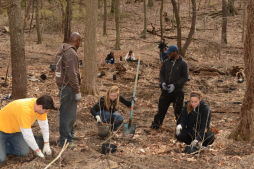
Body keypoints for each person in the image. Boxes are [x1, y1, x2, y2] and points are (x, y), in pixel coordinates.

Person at [0, 95, 56, 163]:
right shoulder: (25, 110)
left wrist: (46, 143)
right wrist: (38, 151)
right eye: (46, 110)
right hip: (1, 130)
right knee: (1, 159)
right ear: (40, 107)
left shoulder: (41, 107)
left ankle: (4, 145)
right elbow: (27, 134)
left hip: (15, 131)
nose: (46, 112)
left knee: (23, 152)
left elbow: (44, 126)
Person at [151, 45, 188, 129]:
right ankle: (156, 124)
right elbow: (161, 73)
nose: (168, 55)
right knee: (161, 109)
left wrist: (175, 85)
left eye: (170, 53)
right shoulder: (166, 62)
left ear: (175, 52)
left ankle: (180, 128)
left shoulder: (183, 64)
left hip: (177, 92)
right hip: (166, 90)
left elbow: (185, 77)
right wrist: (162, 83)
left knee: (178, 111)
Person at [55, 32, 82, 147]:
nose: (80, 44)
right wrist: (77, 91)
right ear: (77, 41)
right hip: (69, 88)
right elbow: (72, 74)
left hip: (64, 86)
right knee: (67, 114)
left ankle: (69, 134)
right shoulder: (71, 53)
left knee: (69, 114)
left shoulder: (62, 50)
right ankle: (65, 140)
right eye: (80, 41)